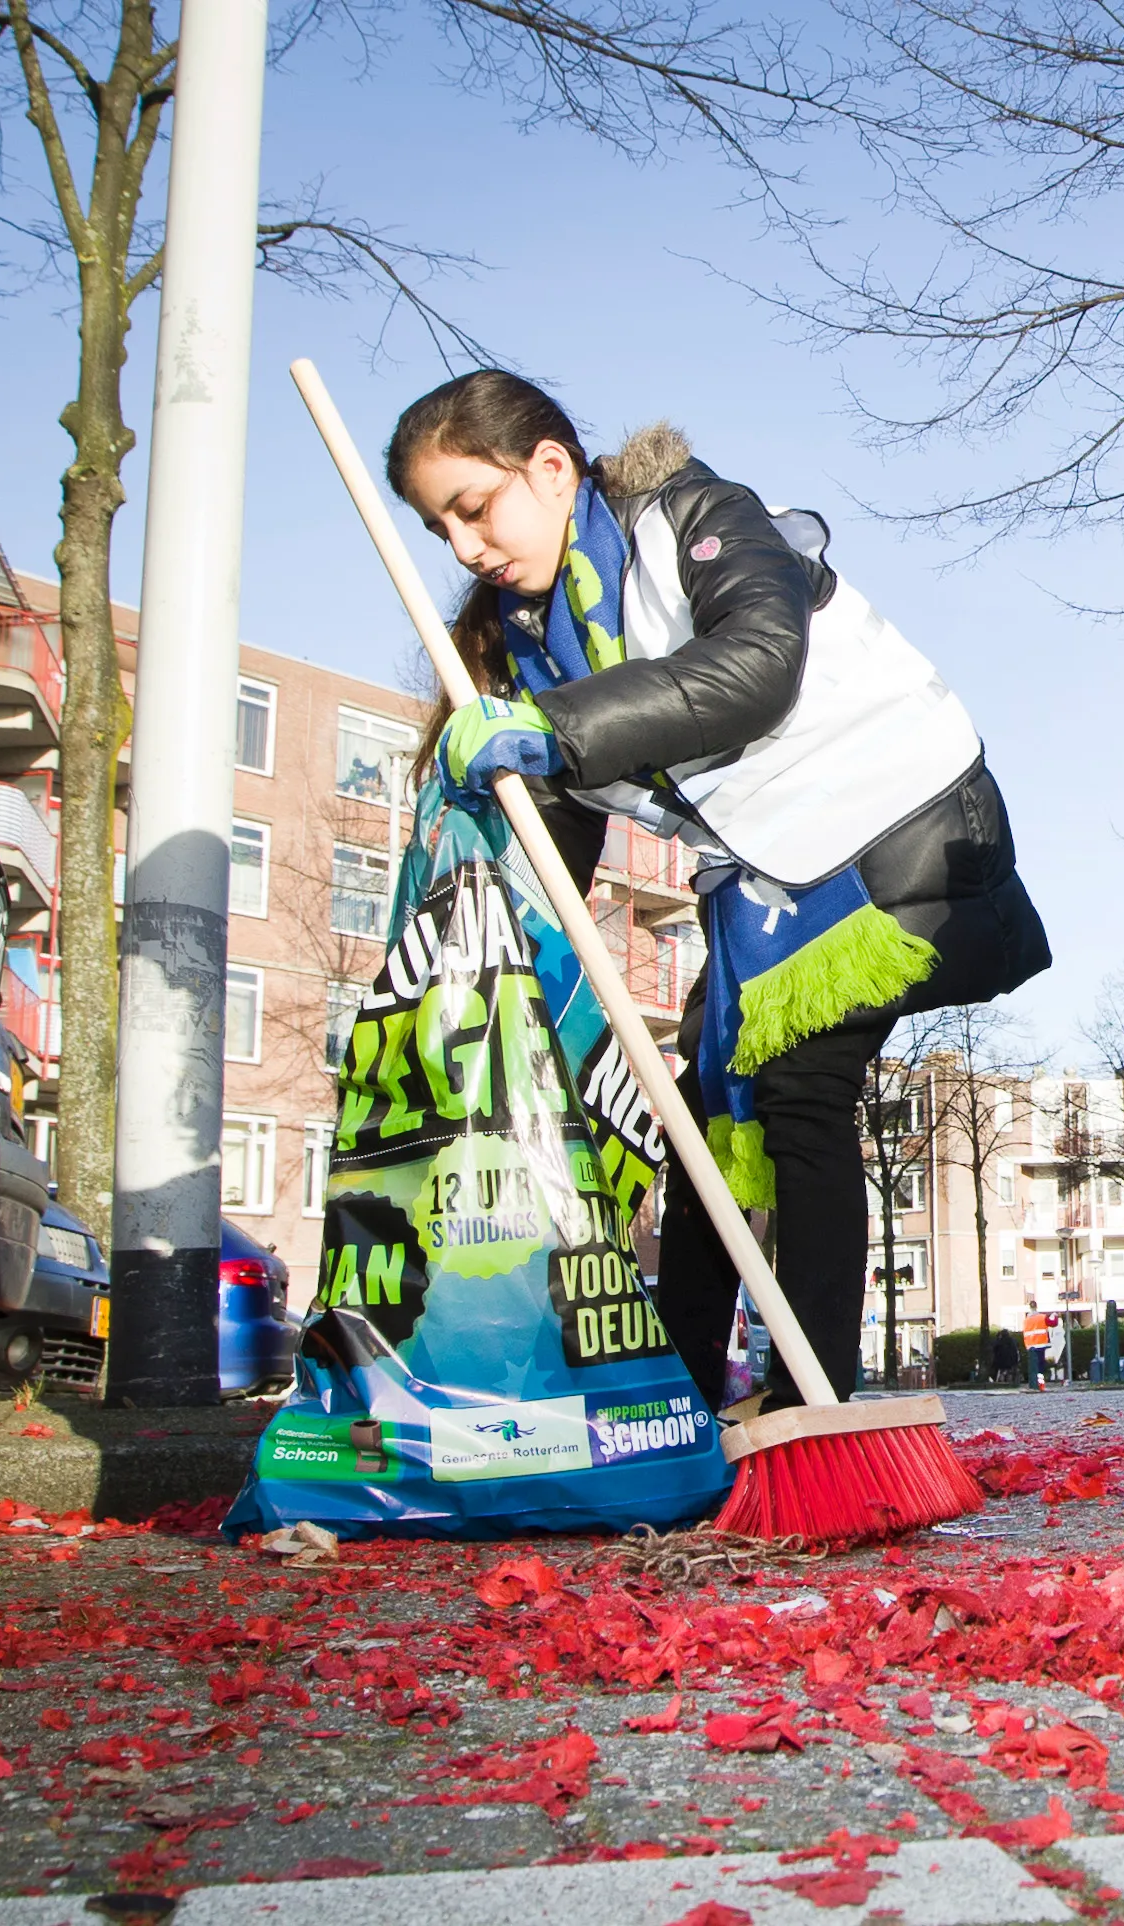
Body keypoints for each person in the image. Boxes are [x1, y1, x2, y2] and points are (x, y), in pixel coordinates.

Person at [388, 371, 1051, 1414]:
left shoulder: (695, 516)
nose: (466, 547)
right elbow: (560, 836)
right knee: (698, 1122)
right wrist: (505, 959)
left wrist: (555, 729)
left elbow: (755, 665)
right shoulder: (529, 646)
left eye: (474, 508)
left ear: (550, 468)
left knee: (798, 1091)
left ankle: (813, 1400)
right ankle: (684, 1397)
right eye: (442, 530)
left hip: (902, 829)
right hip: (768, 884)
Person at [1022, 1307, 1053, 1389]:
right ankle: (1040, 1385)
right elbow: (1053, 1323)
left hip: (1030, 1346)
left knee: (1033, 1367)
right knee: (1040, 1366)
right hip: (1040, 1344)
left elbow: (1024, 1333)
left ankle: (1034, 1384)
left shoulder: (1026, 1320)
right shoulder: (1042, 1317)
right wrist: (1055, 1316)